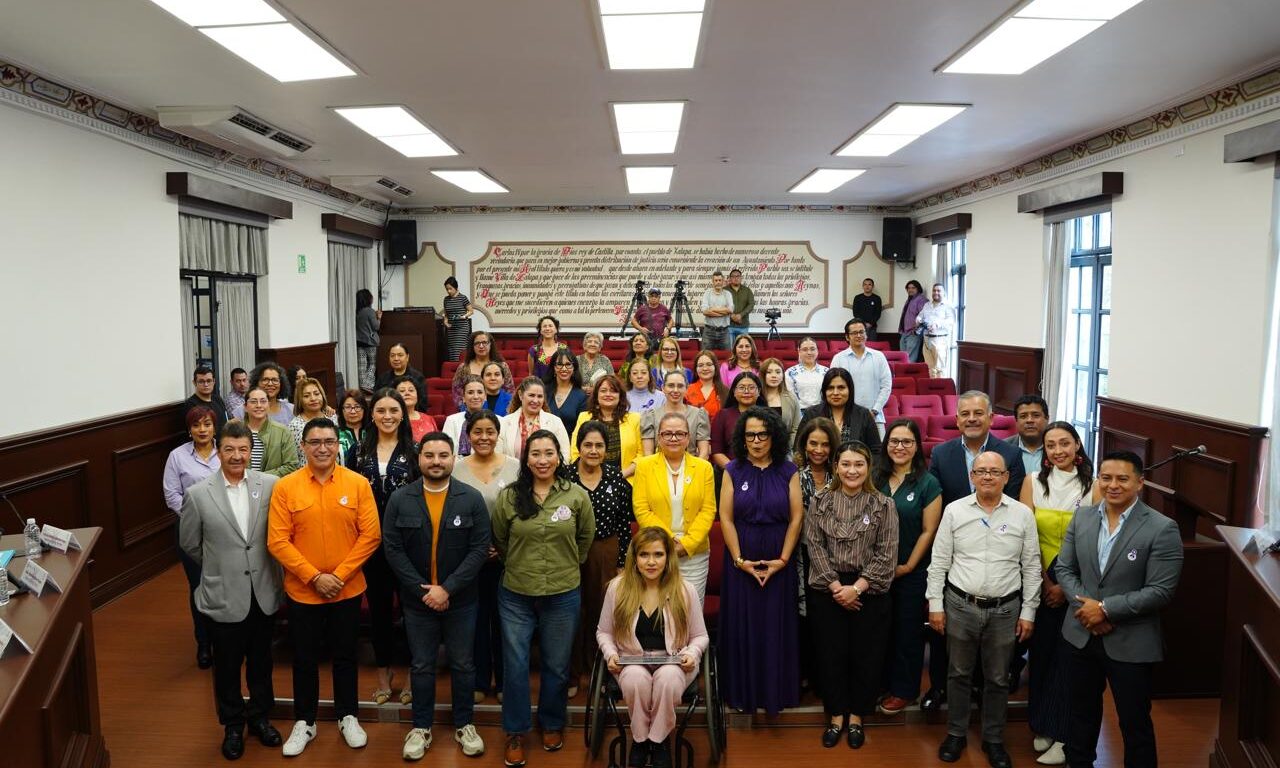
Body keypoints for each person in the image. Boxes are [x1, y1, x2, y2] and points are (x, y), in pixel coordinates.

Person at [1055, 451, 1183, 768]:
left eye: (1122, 479)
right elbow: (1064, 570)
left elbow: (1160, 591)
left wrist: (1106, 610)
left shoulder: (1162, 528)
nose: (1113, 485)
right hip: (1080, 635)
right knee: (1079, 716)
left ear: (1140, 483)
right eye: (1106, 478)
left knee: (1134, 723)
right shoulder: (1082, 518)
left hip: (1132, 641)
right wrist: (1089, 611)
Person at [267, 418, 381, 757]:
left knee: (345, 655)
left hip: (347, 589)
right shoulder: (286, 487)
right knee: (304, 658)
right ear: (303, 446)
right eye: (315, 442)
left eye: (329, 441)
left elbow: (370, 535)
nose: (322, 448)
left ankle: (348, 716)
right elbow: (277, 541)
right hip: (303, 590)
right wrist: (315, 577)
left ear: (338, 445)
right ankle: (305, 721)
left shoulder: (357, 484)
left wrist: (339, 576)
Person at [927, 451, 1040, 768]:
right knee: (958, 674)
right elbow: (939, 562)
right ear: (972, 476)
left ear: (1006, 477)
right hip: (960, 605)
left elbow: (1032, 567)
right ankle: (956, 733)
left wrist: (1029, 612)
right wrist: (935, 605)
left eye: (995, 471)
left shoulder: (1022, 514)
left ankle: (993, 739)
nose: (988, 476)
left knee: (998, 678)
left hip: (1005, 609)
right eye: (981, 471)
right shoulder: (954, 511)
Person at [178, 421, 283, 760]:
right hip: (222, 594)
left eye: (243, 450)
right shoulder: (198, 494)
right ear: (218, 452)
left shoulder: (270, 485)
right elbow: (190, 545)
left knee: (261, 663)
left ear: (250, 452)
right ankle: (233, 725)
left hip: (262, 592)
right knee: (226, 666)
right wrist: (221, 566)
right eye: (229, 450)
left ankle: (260, 718)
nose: (237, 456)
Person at [382, 432, 491, 761]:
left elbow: (479, 550)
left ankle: (465, 724)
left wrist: (447, 588)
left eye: (443, 455)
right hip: (418, 602)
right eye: (429, 455)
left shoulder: (471, 498)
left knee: (463, 664)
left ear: (454, 459)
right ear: (419, 459)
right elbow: (393, 549)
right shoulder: (400, 499)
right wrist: (423, 590)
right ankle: (421, 727)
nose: (436, 461)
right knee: (422, 665)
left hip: (461, 600)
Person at [492, 430, 596, 767]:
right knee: (516, 664)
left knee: (556, 663)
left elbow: (585, 538)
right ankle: (515, 731)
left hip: (563, 592)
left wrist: (568, 564)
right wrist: (519, 563)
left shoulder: (576, 495)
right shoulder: (510, 497)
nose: (542, 460)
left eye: (548, 453)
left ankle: (552, 722)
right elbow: (501, 540)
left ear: (559, 456)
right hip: (516, 593)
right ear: (526, 459)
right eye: (535, 454)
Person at [921, 390, 1025, 713]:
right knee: (946, 628)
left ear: (991, 418)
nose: (971, 419)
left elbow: (1014, 503)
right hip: (954, 548)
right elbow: (936, 502)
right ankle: (940, 687)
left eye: (978, 413)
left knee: (989, 637)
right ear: (956, 420)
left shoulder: (1010, 454)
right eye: (965, 414)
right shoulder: (942, 453)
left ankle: (981, 690)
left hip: (997, 549)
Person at [805, 440, 898, 749]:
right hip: (828, 590)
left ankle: (857, 716)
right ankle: (835, 716)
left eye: (859, 464)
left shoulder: (883, 505)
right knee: (830, 655)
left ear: (869, 468)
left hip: (868, 590)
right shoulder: (819, 501)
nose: (852, 470)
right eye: (845, 464)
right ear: (836, 467)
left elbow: (886, 554)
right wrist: (836, 587)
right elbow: (815, 547)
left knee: (866, 656)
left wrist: (856, 588)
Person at [1018, 421, 1100, 765]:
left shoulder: (1094, 486)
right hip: (1040, 578)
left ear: (1077, 445)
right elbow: (1026, 537)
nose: (1057, 451)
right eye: (1050, 445)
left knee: (1069, 661)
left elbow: (1095, 545)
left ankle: (1064, 734)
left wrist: (1066, 590)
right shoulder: (1032, 482)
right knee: (1041, 656)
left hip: (1077, 585)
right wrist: (1045, 583)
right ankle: (1042, 723)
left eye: (1064, 443)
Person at [596, 527, 710, 768]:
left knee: (667, 679)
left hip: (674, 661)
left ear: (668, 557)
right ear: (634, 557)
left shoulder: (685, 590)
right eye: (644, 554)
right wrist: (611, 654)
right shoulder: (617, 588)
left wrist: (692, 653)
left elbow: (700, 636)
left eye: (658, 554)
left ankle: (658, 740)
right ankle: (640, 738)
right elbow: (604, 632)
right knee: (635, 680)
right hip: (630, 660)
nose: (651, 562)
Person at [719, 406, 803, 715]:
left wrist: (783, 559)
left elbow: (797, 518)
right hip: (741, 561)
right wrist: (739, 560)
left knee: (775, 627)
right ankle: (743, 693)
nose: (756, 441)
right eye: (750, 435)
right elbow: (726, 518)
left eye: (762, 434)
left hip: (780, 562)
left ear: (774, 436)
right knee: (744, 626)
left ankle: (775, 693)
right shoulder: (733, 470)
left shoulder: (788, 471)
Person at [349, 389, 420, 708]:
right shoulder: (358, 451)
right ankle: (383, 675)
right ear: (372, 415)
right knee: (379, 611)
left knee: (411, 612)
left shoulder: (415, 451)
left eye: (393, 410)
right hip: (370, 544)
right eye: (381, 410)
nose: (387, 416)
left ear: (403, 414)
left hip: (408, 544)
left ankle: (413, 677)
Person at [873, 418, 943, 716]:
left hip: (911, 572)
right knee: (878, 631)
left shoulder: (928, 483)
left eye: (907, 442)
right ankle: (880, 683)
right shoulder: (874, 477)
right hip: (874, 572)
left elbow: (929, 530)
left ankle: (904, 690)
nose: (900, 447)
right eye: (894, 441)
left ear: (917, 447)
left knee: (907, 632)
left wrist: (908, 565)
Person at [452, 410, 521, 706]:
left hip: (508, 560)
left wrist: (502, 546)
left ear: (498, 435)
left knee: (506, 623)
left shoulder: (515, 467)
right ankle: (480, 680)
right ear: (468, 435)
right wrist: (478, 548)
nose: (484, 437)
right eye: (477, 432)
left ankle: (505, 681)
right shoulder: (456, 469)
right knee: (476, 623)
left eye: (489, 432)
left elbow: (523, 511)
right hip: (468, 561)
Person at [566, 421, 635, 696]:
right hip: (570, 554)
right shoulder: (566, 476)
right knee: (572, 612)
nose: (593, 451)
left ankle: (602, 674)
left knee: (604, 613)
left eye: (599, 446)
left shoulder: (615, 477)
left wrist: (621, 562)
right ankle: (572, 675)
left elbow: (624, 523)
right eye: (588, 445)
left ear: (606, 449)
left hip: (607, 550)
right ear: (579, 447)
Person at [633, 412, 717, 601]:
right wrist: (668, 543)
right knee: (658, 608)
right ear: (659, 437)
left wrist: (686, 545)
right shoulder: (644, 466)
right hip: (655, 552)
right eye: (667, 434)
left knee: (690, 608)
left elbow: (708, 510)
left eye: (679, 433)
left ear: (688, 437)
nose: (673, 438)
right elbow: (642, 509)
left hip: (694, 554)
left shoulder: (704, 468)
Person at [162, 405, 220, 668]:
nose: (202, 430)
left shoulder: (226, 451)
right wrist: (195, 517)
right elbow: (172, 494)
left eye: (207, 424)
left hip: (223, 529)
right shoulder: (177, 456)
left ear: (215, 427)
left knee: (223, 583)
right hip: (190, 529)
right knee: (198, 585)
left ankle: (224, 640)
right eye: (196, 425)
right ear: (189, 430)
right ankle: (204, 643)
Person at [794, 416, 840, 688]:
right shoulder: (794, 476)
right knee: (806, 615)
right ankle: (806, 674)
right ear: (804, 444)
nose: (819, 450)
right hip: (803, 554)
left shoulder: (842, 475)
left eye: (825, 444)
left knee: (829, 618)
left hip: (837, 556)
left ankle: (828, 678)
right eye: (813, 443)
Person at [571, 375, 643, 480]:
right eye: (603, 391)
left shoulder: (635, 419)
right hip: (589, 479)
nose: (608, 394)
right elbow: (575, 452)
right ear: (596, 395)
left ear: (620, 396)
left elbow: (641, 455)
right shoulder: (584, 417)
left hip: (626, 479)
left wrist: (621, 475)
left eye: (613, 391)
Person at [830, 318, 892, 438]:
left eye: (861, 332)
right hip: (846, 418)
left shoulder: (879, 357)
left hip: (875, 417)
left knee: (878, 449)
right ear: (847, 337)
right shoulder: (839, 358)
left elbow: (886, 386)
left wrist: (874, 411)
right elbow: (833, 387)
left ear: (866, 334)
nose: (859, 335)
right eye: (854, 333)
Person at [798, 368, 881, 452]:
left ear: (850, 389)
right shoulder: (811, 414)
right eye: (830, 388)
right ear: (824, 391)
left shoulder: (864, 415)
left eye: (841, 388)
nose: (835, 393)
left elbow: (876, 450)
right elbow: (798, 448)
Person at [640, 371, 711, 460]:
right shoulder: (651, 416)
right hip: (658, 467)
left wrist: (694, 468)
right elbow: (648, 454)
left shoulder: (698, 415)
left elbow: (704, 453)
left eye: (680, 386)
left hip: (691, 467)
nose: (675, 390)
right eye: (671, 386)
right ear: (663, 388)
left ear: (686, 389)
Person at [499, 376, 571, 458]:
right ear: (520, 395)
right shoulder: (504, 423)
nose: (536, 400)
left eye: (540, 396)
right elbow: (498, 456)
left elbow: (565, 455)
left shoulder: (555, 422)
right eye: (531, 395)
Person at [241, 387, 301, 477]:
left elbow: (292, 465)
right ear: (245, 407)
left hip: (273, 484)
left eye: (263, 401)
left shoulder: (283, 432)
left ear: (268, 405)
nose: (259, 405)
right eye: (253, 402)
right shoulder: (236, 431)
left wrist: (260, 478)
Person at [710, 371, 764, 470]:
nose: (746, 391)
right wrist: (735, 471)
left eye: (751, 387)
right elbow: (717, 452)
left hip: (763, 471)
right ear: (734, 392)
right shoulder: (722, 415)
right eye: (741, 388)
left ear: (759, 391)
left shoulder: (769, 416)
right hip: (730, 471)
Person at [452, 331, 515, 408]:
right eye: (477, 343)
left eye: (484, 342)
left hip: (500, 408)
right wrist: (466, 409)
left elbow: (510, 389)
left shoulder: (502, 366)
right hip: (471, 409)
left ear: (490, 344)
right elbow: (457, 393)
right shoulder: (463, 368)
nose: (481, 346)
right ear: (472, 346)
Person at [543, 349, 588, 437]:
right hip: (544, 441)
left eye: (568, 364)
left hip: (570, 442)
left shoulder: (581, 396)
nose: (564, 369)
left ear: (574, 368)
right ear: (553, 367)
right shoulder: (543, 392)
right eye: (559, 364)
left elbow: (582, 429)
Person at [759, 357, 801, 449]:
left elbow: (796, 427)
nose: (774, 376)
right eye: (769, 372)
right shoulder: (756, 397)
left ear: (783, 376)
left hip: (784, 449)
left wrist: (787, 446)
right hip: (758, 447)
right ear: (763, 375)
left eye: (778, 372)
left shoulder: (791, 398)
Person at [918, 283, 958, 379]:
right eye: (934, 290)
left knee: (940, 368)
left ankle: (940, 388)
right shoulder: (927, 305)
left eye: (938, 291)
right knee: (930, 368)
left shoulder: (948, 306)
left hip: (940, 340)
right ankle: (932, 388)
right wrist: (918, 320)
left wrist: (937, 325)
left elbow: (951, 320)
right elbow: (920, 316)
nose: (936, 292)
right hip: (926, 340)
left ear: (944, 293)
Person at [287, 377, 332, 460]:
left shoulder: (332, 417)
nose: (313, 399)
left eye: (316, 394)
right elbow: (292, 459)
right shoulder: (294, 426)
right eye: (306, 396)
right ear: (300, 400)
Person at [1008, 394, 1050, 478]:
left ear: (1047, 419)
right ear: (1016, 421)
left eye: (1036, 415)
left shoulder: (1058, 449)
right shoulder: (1002, 448)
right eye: (1023, 416)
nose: (1029, 420)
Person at [443, 376, 486, 457]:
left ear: (485, 397)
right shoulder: (451, 420)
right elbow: (445, 450)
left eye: (480, 392)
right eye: (470, 392)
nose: (475, 397)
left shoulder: (497, 420)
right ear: (463, 398)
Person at [784, 337, 829, 409]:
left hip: (822, 411)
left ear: (817, 351)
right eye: (805, 349)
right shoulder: (790, 373)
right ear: (799, 352)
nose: (809, 353)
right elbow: (790, 398)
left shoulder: (826, 371)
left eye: (812, 349)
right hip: (799, 412)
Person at [394, 375, 439, 445]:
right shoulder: (392, 419)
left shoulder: (429, 419)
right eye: (402, 391)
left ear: (417, 395)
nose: (407, 393)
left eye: (411, 390)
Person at [184, 365, 230, 432]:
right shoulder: (191, 404)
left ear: (214, 382)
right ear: (194, 383)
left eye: (209, 381)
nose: (206, 385)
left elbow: (226, 421)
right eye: (201, 381)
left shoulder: (218, 399)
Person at [685, 350, 727, 420]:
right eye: (700, 365)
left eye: (709, 364)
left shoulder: (725, 391)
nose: (705, 368)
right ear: (696, 369)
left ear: (715, 367)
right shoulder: (687, 390)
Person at [249, 362, 294, 426]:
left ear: (281, 384)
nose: (270, 384)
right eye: (265, 379)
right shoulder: (244, 410)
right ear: (256, 383)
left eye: (275, 380)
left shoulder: (291, 410)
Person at [442, 276, 474, 362]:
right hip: (451, 328)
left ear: (455, 288)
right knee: (452, 350)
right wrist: (445, 322)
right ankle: (453, 367)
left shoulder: (463, 298)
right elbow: (446, 314)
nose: (449, 291)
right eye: (447, 289)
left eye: (450, 289)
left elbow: (471, 311)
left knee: (459, 349)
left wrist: (464, 316)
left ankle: (461, 367)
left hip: (462, 328)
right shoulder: (446, 299)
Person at [699, 270, 733, 351]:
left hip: (724, 332)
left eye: (720, 280)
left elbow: (730, 310)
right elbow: (705, 311)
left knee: (727, 356)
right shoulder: (707, 293)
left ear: (723, 281)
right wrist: (723, 312)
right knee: (705, 355)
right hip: (709, 331)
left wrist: (712, 309)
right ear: (713, 282)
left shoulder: (727, 294)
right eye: (716, 280)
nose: (718, 282)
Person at [356, 288, 382, 391]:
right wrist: (379, 317)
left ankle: (362, 385)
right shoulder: (369, 311)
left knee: (362, 366)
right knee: (372, 364)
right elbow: (376, 327)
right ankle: (368, 385)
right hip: (370, 342)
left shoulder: (357, 311)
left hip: (359, 341)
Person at [528, 315, 569, 380]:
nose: (547, 328)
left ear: (556, 330)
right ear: (540, 331)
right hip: (540, 385)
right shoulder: (534, 350)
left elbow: (568, 370)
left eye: (550, 326)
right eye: (544, 326)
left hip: (560, 385)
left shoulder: (564, 348)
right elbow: (531, 374)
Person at [899, 280, 929, 363]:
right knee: (903, 358)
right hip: (904, 332)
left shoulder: (921, 300)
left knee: (910, 359)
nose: (910, 290)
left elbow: (924, 317)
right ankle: (903, 372)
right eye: (908, 288)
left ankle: (907, 372)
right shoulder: (909, 300)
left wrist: (916, 331)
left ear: (918, 289)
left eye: (913, 288)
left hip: (913, 334)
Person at [335, 389, 367, 465]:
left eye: (357, 407)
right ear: (342, 410)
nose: (353, 411)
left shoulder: (372, 432)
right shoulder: (335, 434)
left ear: (364, 409)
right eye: (348, 407)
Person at [727, 267, 755, 346]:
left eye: (738, 276)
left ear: (741, 278)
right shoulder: (724, 290)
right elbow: (721, 305)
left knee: (743, 348)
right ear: (730, 278)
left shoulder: (747, 290)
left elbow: (751, 304)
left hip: (743, 326)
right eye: (733, 276)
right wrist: (731, 315)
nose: (736, 278)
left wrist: (740, 315)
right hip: (728, 325)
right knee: (729, 350)